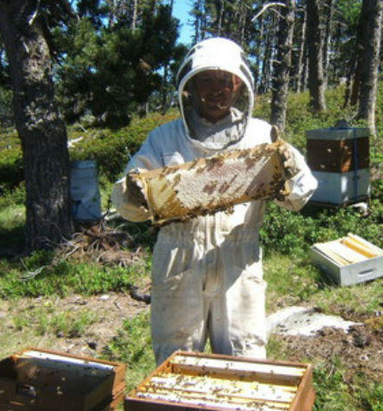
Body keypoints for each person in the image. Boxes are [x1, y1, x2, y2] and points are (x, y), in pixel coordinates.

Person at [112, 37, 317, 365]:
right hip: (178, 257)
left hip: (239, 257)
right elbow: (127, 204)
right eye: (206, 79)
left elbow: (302, 193)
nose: (217, 89)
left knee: (245, 357)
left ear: (239, 85)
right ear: (191, 86)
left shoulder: (261, 134)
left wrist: (288, 173)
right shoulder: (163, 138)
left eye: (226, 80)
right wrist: (133, 192)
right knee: (176, 360)